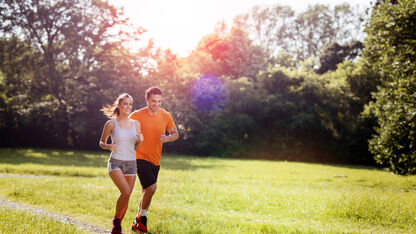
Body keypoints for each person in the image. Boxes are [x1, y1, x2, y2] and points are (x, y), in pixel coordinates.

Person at [130, 86, 179, 233]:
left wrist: (168, 138)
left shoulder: (166, 116)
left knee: (147, 190)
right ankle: (143, 218)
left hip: (155, 159)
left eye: (159, 101)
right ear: (147, 100)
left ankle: (136, 222)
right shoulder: (136, 115)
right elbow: (122, 127)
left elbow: (175, 133)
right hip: (138, 156)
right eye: (153, 101)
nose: (156, 104)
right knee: (152, 187)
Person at [99, 93, 144, 234]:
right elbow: (101, 142)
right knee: (125, 191)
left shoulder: (136, 124)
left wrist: (141, 141)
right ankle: (116, 222)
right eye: (125, 103)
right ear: (118, 105)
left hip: (131, 163)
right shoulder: (111, 124)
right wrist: (108, 146)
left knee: (127, 196)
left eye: (130, 104)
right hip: (115, 163)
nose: (128, 107)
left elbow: (136, 148)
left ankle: (116, 229)